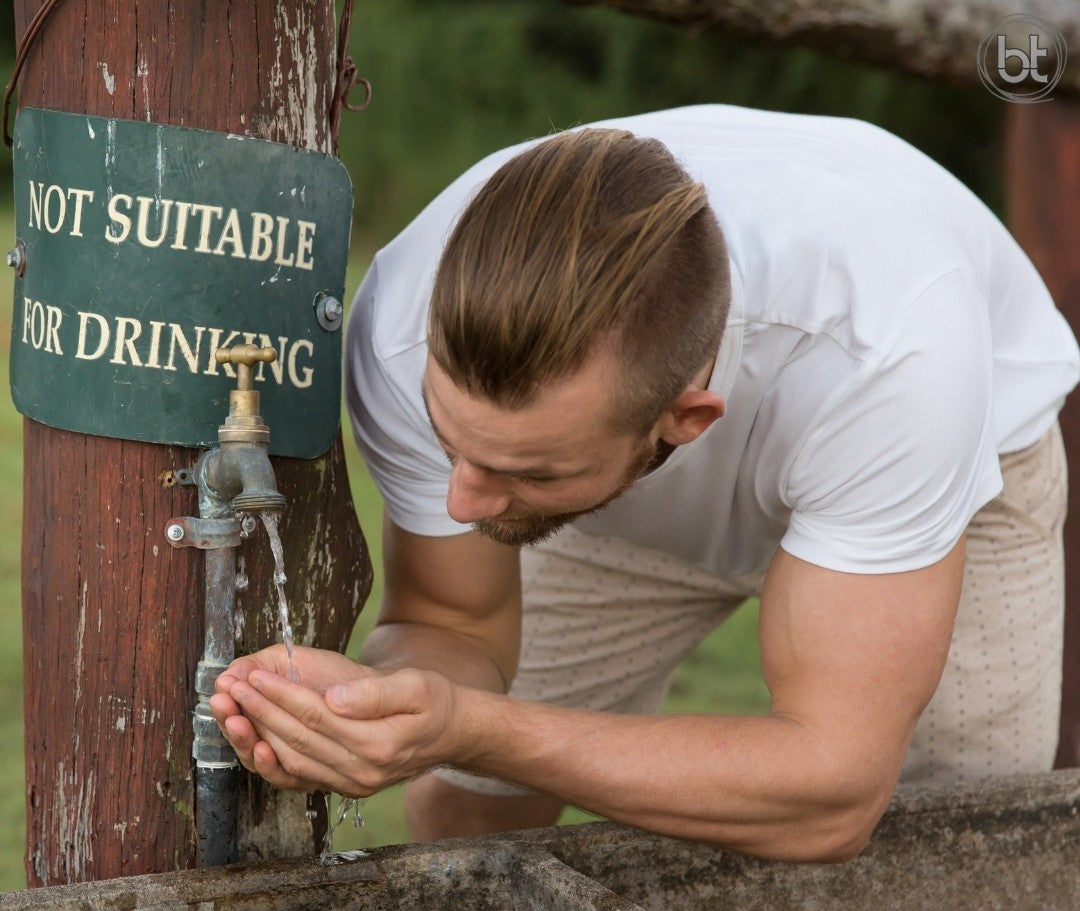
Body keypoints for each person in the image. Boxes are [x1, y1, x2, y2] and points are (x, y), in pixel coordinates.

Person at [212, 105, 1080, 861]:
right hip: (620, 492)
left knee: (952, 849)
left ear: (688, 423)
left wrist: (474, 725)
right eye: (452, 444)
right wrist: (381, 707)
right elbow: (454, 623)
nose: (463, 503)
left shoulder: (896, 357)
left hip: (947, 478)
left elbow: (832, 794)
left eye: (523, 468)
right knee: (467, 800)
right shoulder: (404, 327)